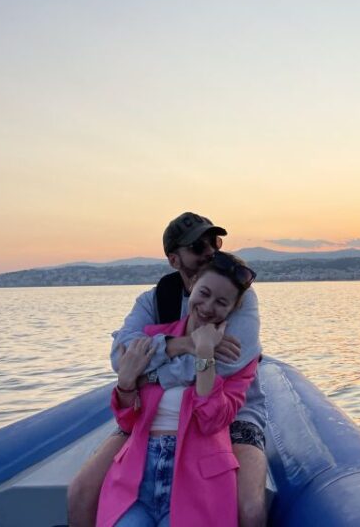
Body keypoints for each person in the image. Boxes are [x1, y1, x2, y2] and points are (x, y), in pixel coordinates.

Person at [68, 212, 267, 527]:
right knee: (80, 491)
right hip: (156, 409)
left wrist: (146, 373)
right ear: (175, 260)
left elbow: (228, 365)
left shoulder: (237, 294)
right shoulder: (155, 300)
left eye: (214, 242)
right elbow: (121, 359)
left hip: (231, 410)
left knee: (250, 507)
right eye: (198, 248)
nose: (210, 253)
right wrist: (183, 346)